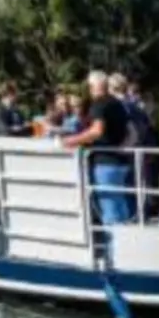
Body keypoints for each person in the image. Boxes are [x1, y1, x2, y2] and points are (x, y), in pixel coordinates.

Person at [61, 70, 132, 224]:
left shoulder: (99, 105)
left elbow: (97, 131)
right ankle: (126, 242)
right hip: (120, 161)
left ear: (93, 86)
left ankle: (113, 247)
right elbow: (130, 132)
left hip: (105, 163)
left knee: (110, 209)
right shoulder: (117, 103)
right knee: (121, 206)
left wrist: (71, 141)